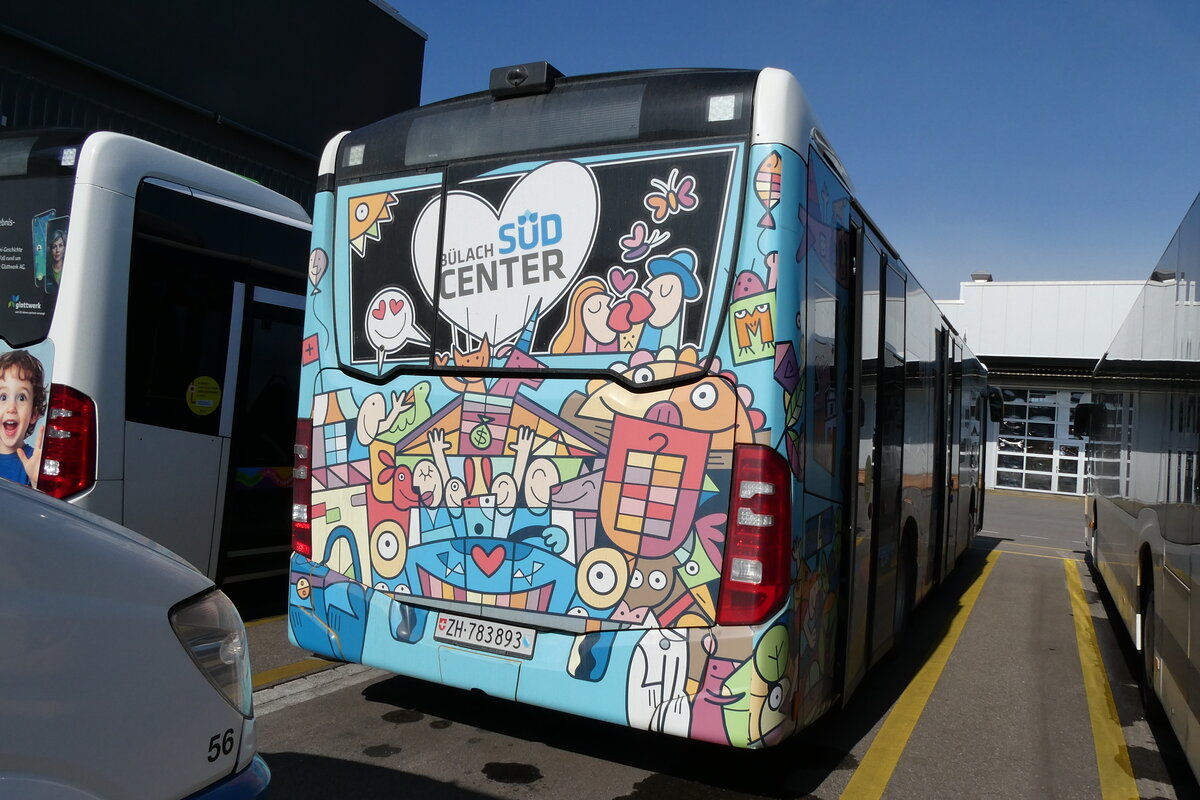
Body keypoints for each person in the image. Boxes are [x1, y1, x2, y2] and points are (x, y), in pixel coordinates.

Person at [0, 349, 47, 486]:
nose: (11, 408)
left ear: (34, 414)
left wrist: (36, 482)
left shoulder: (35, 462)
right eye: (3, 397)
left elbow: (41, 507)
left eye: (21, 398)